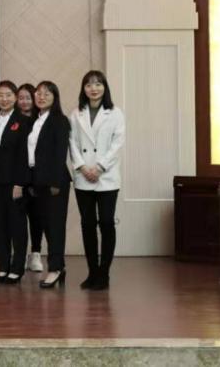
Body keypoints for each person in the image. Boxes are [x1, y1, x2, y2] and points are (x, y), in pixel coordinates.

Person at [69, 70, 125, 291]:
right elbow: (72, 142)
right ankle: (92, 272)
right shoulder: (76, 114)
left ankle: (104, 273)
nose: (94, 88)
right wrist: (82, 167)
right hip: (83, 176)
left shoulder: (115, 113)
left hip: (107, 176)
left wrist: (100, 167)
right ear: (83, 89)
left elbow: (117, 144)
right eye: (89, 85)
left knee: (107, 223)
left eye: (98, 84)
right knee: (88, 224)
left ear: (105, 87)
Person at [25, 80, 72, 289]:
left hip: (55, 181)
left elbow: (60, 153)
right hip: (38, 180)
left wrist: (54, 182)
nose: (41, 97)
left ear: (55, 97)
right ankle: (58, 267)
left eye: (46, 93)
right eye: (38, 93)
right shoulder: (36, 120)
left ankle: (55, 269)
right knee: (46, 225)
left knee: (55, 227)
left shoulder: (59, 120)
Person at [0, 81, 31, 284]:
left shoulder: (23, 121)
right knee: (0, 226)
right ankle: (3, 267)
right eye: (0, 95)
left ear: (15, 97)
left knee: (17, 226)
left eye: (8, 95)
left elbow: (25, 155)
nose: (4, 99)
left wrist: (20, 183)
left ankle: (17, 267)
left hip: (15, 183)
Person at [17, 83, 44, 273]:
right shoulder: (11, 120)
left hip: (36, 176)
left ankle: (35, 253)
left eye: (28, 98)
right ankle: (19, 254)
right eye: (21, 98)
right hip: (17, 176)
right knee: (18, 218)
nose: (25, 101)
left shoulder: (40, 120)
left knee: (36, 217)